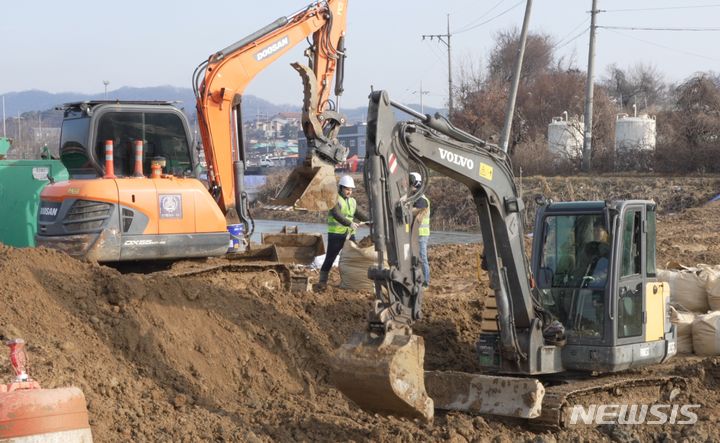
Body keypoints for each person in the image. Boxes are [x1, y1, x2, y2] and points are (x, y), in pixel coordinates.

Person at [317, 175, 370, 289]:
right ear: (341, 188)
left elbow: (359, 214)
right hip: (336, 234)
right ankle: (322, 281)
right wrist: (349, 223)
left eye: (350, 189)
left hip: (350, 234)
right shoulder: (334, 199)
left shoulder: (353, 202)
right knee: (330, 258)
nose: (349, 191)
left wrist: (370, 222)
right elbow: (336, 214)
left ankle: (351, 281)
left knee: (352, 258)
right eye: (347, 189)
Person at [409, 172, 431, 288]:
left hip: (421, 234)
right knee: (415, 258)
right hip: (415, 234)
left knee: (422, 258)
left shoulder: (421, 200)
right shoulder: (415, 198)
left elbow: (414, 211)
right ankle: (417, 279)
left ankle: (426, 282)